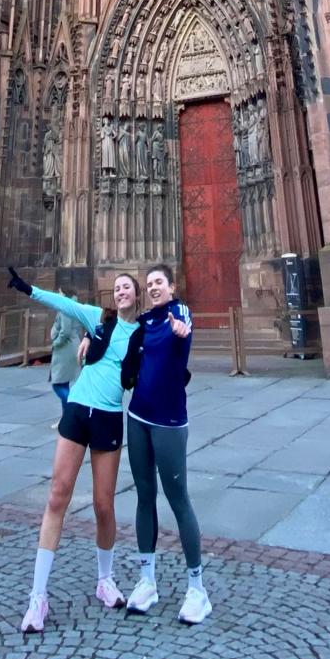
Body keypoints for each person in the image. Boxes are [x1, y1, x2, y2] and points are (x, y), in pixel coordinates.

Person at [6, 264, 140, 634]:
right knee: (57, 496)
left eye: (127, 287)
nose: (120, 291)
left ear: (137, 295)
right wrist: (27, 288)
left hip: (110, 418)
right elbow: (63, 302)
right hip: (79, 412)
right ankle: (38, 597)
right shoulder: (98, 318)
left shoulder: (143, 332)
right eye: (116, 287)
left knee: (103, 504)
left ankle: (105, 580)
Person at [121, 262, 210, 625]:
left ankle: (197, 589)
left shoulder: (179, 312)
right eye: (150, 283)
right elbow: (116, 332)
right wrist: (88, 335)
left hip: (170, 421)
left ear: (172, 287)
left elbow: (184, 329)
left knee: (178, 497)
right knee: (144, 494)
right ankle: (147, 581)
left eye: (159, 282)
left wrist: (181, 329)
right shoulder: (143, 322)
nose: (154, 287)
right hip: (138, 416)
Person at [49, 295, 85, 410]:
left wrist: (56, 342)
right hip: (72, 345)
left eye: (60, 292)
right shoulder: (74, 307)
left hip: (65, 348)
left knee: (57, 385)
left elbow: (65, 331)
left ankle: (73, 409)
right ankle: (66, 419)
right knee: (63, 383)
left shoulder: (65, 308)